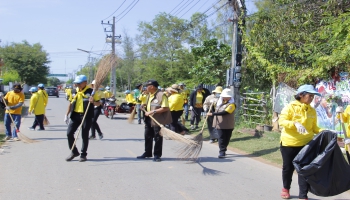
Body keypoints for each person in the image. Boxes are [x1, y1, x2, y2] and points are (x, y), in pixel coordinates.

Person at [278, 84, 322, 199]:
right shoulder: (290, 107)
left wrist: (326, 131)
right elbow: (282, 121)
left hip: (306, 145)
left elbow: (314, 128)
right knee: (288, 168)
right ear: (301, 95)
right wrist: (294, 123)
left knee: (304, 170)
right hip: (289, 144)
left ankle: (303, 195)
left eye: (313, 96)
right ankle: (286, 188)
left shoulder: (312, 111)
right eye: (310, 95)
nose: (312, 98)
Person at [64, 75, 100, 162]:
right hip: (75, 115)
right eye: (76, 83)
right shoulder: (73, 91)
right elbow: (70, 103)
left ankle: (83, 154)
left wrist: (93, 102)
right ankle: (74, 152)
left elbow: (98, 104)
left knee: (84, 135)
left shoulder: (91, 92)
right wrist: (66, 115)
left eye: (79, 83)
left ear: (85, 83)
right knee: (69, 133)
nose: (77, 85)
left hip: (86, 116)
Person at [137, 79, 172, 162]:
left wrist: (153, 111)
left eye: (147, 86)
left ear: (152, 86)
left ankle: (157, 155)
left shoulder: (161, 95)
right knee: (148, 136)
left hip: (157, 119)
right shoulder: (150, 94)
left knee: (158, 137)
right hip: (149, 119)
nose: (145, 88)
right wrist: (143, 105)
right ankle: (147, 152)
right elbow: (149, 104)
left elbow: (165, 108)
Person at [206, 88, 235, 158]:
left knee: (227, 138)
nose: (226, 97)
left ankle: (224, 148)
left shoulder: (232, 105)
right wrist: (211, 105)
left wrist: (212, 114)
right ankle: (222, 152)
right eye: (225, 96)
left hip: (228, 124)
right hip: (219, 124)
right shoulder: (218, 103)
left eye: (228, 96)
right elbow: (213, 109)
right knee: (221, 137)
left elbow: (225, 113)